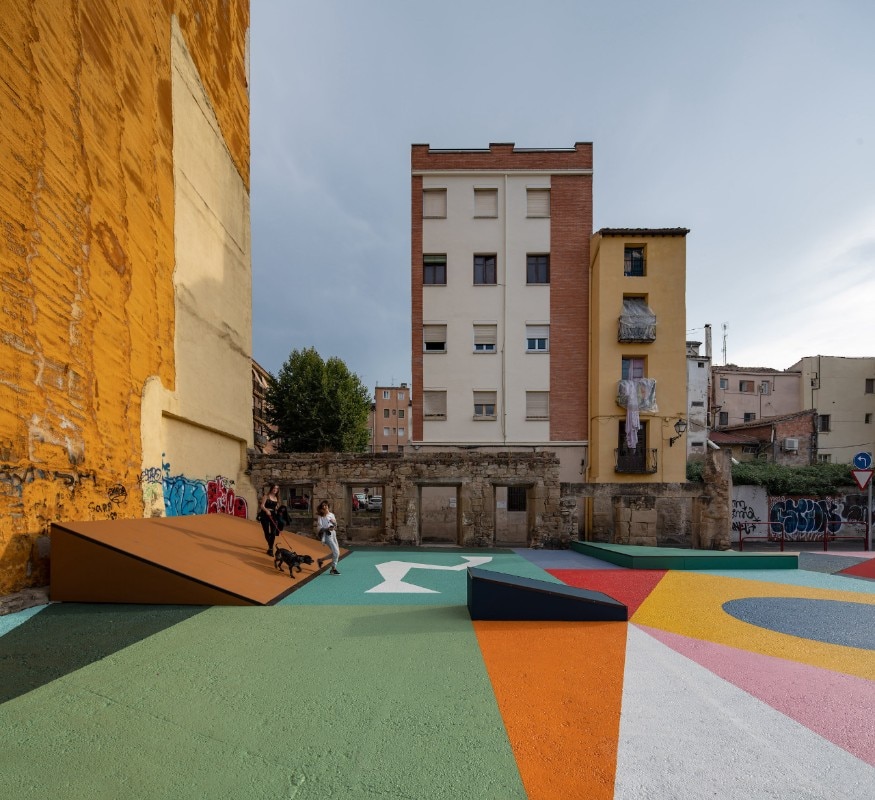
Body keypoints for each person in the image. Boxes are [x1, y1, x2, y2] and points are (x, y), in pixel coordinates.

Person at [316, 500, 341, 575]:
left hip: (333, 534)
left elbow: (335, 525)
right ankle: (333, 569)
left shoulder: (332, 515)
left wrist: (334, 523)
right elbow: (319, 527)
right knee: (336, 552)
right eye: (323, 506)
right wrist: (327, 528)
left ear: (328, 506)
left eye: (325, 505)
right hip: (326, 535)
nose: (324, 507)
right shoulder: (320, 516)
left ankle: (321, 560)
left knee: (337, 553)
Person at [259, 483, 281, 556]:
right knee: (266, 532)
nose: (275, 490)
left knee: (273, 532)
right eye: (274, 488)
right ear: (271, 488)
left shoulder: (277, 498)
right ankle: (270, 546)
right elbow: (262, 506)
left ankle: (270, 549)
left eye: (277, 488)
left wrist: (278, 509)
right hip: (264, 515)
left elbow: (276, 507)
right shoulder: (266, 496)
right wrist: (266, 510)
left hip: (273, 515)